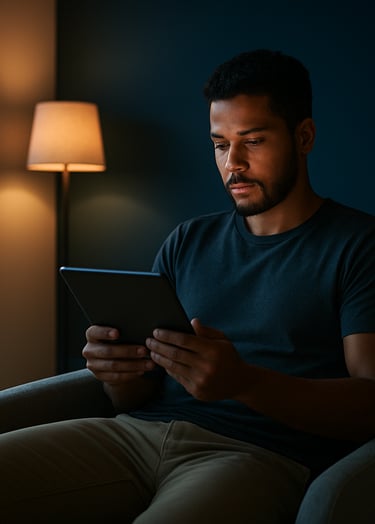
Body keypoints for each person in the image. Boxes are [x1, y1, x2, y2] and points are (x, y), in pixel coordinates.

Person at [1, 49, 374, 524]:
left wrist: (244, 381)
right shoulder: (189, 239)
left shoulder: (358, 246)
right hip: (134, 435)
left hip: (255, 455)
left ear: (304, 137)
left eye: (253, 141)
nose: (232, 164)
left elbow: (369, 404)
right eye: (220, 144)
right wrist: (119, 372)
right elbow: (133, 398)